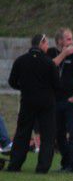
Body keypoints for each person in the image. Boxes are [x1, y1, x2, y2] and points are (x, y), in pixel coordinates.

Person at [7, 34, 60, 173]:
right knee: (47, 135)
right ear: (41, 43)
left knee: (22, 133)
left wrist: (24, 88)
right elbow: (57, 85)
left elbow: (12, 82)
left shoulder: (20, 61)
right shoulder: (49, 63)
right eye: (46, 43)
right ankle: (42, 167)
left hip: (27, 102)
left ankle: (15, 164)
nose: (48, 46)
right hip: (46, 103)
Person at [47, 27, 73, 172]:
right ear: (60, 41)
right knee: (58, 133)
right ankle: (66, 162)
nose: (71, 42)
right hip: (55, 100)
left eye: (72, 38)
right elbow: (50, 66)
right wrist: (64, 53)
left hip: (70, 101)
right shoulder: (50, 53)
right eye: (68, 39)